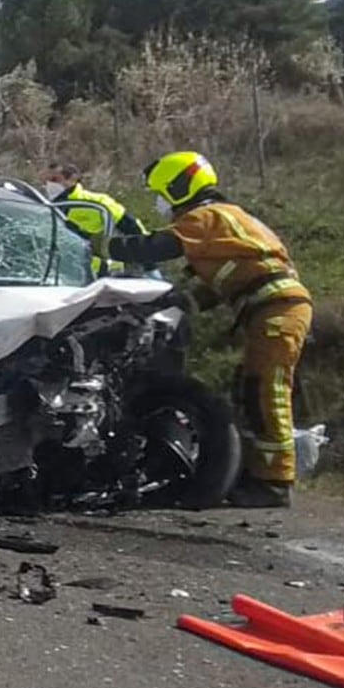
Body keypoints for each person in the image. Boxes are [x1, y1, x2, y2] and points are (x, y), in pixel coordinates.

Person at [105, 151, 312, 509]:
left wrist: (100, 242)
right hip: (275, 308)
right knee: (249, 391)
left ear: (178, 186)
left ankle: (275, 484)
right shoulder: (228, 219)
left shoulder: (207, 217)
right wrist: (173, 302)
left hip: (275, 311)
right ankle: (255, 473)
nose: (159, 202)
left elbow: (155, 247)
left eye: (161, 193)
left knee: (266, 392)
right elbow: (223, 281)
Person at [43, 161, 145, 274]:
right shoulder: (45, 206)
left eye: (54, 180)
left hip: (101, 271)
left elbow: (132, 228)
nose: (49, 185)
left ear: (72, 179)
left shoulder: (97, 203)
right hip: (63, 269)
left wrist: (147, 260)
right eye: (47, 180)